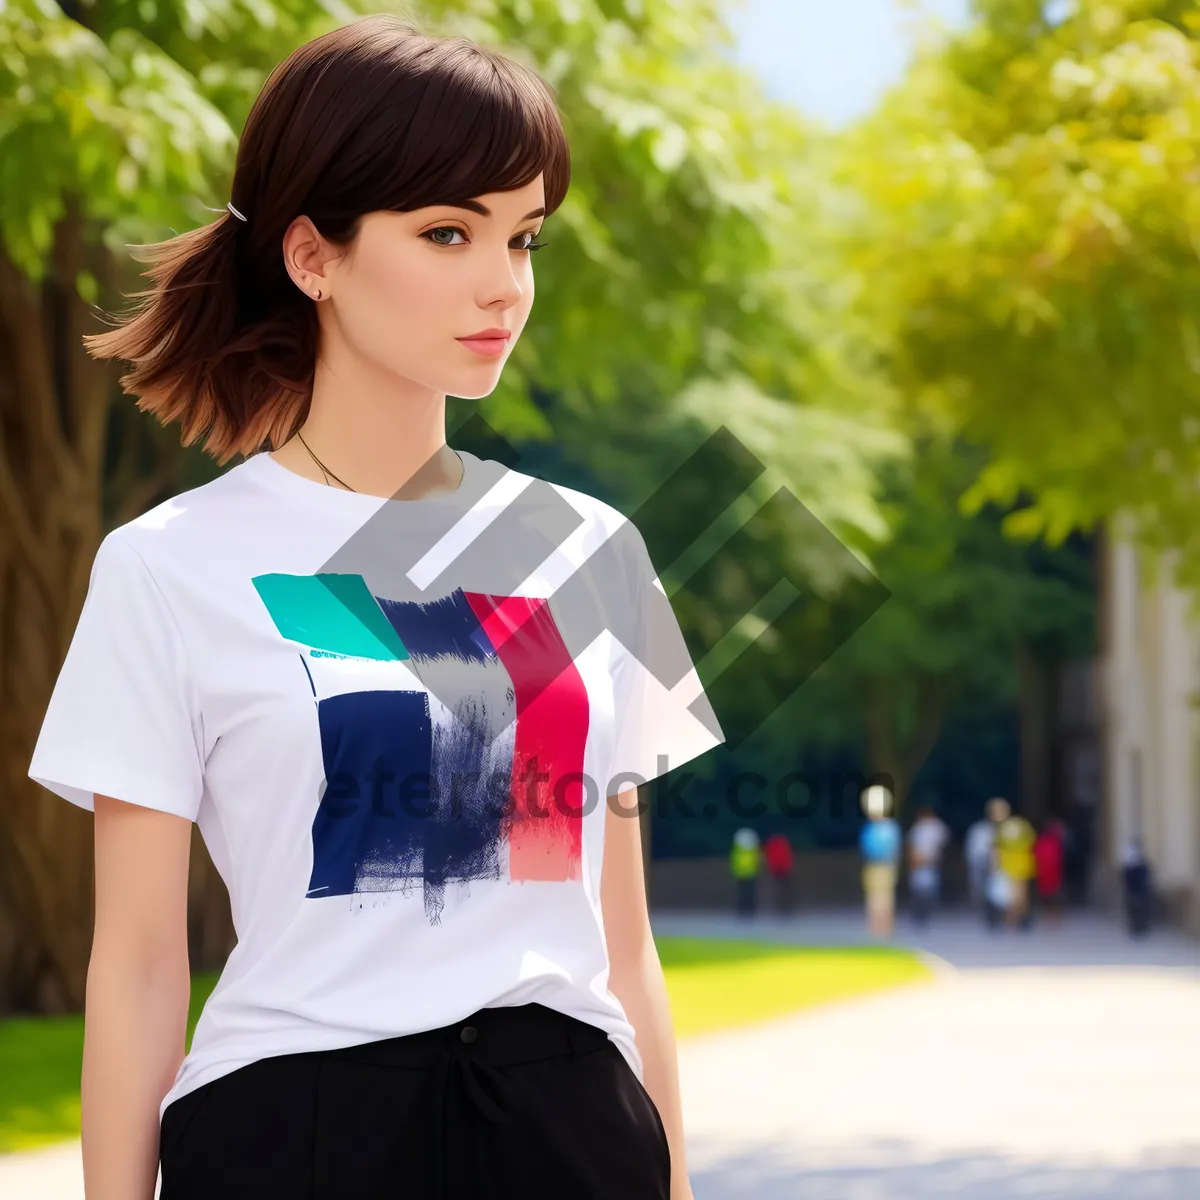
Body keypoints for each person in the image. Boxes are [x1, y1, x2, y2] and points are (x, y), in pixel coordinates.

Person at [26, 18, 726, 1200]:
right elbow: (139, 964)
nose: (503, 284)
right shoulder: (169, 566)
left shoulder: (591, 549)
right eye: (448, 233)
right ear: (314, 256)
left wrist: (673, 1181)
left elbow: (622, 935)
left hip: (566, 1131)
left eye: (524, 237)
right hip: (297, 1137)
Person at [859, 784, 902, 936]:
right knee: (879, 897)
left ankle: (882, 926)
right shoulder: (889, 827)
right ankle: (880, 926)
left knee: (881, 897)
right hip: (880, 866)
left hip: (881, 865)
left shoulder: (874, 828)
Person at [905, 804, 949, 926]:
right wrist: (914, 859)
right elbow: (911, 845)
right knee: (917, 890)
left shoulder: (937, 827)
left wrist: (934, 857)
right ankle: (919, 915)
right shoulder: (917, 828)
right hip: (918, 863)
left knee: (930, 890)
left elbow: (943, 843)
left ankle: (926, 914)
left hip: (931, 863)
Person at [995, 807, 1037, 930]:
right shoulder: (1023, 825)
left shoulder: (1003, 827)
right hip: (1021, 862)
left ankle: (1013, 921)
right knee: (1020, 894)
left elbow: (997, 847)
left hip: (1009, 864)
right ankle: (1019, 920)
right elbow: (1031, 841)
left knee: (1012, 895)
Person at [1033, 818, 1066, 925]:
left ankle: (1052, 914)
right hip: (1048, 873)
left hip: (1049, 873)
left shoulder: (1048, 843)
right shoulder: (1050, 843)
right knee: (1050, 895)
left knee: (1051, 895)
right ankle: (1051, 914)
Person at [1121, 837, 1155, 937]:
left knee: (1138, 910)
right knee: (1136, 910)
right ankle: (1137, 927)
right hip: (1136, 890)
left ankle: (1139, 927)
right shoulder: (1133, 862)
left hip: (1138, 890)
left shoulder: (1138, 862)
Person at [964, 809, 995, 910]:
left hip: (987, 859)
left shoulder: (993, 829)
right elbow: (970, 846)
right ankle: (979, 903)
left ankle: (987, 904)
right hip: (978, 859)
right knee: (978, 883)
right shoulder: (978, 829)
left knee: (990, 883)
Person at [730, 827, 763, 918]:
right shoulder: (750, 849)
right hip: (748, 873)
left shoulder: (738, 849)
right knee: (747, 893)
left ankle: (744, 910)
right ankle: (746, 910)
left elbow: (734, 861)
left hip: (744, 873)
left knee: (744, 893)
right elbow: (757, 860)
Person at [763, 831, 796, 916]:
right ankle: (785, 907)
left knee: (779, 889)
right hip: (783, 869)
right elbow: (788, 856)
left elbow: (769, 857)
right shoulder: (783, 843)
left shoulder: (771, 844)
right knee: (785, 890)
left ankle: (780, 907)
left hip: (776, 870)